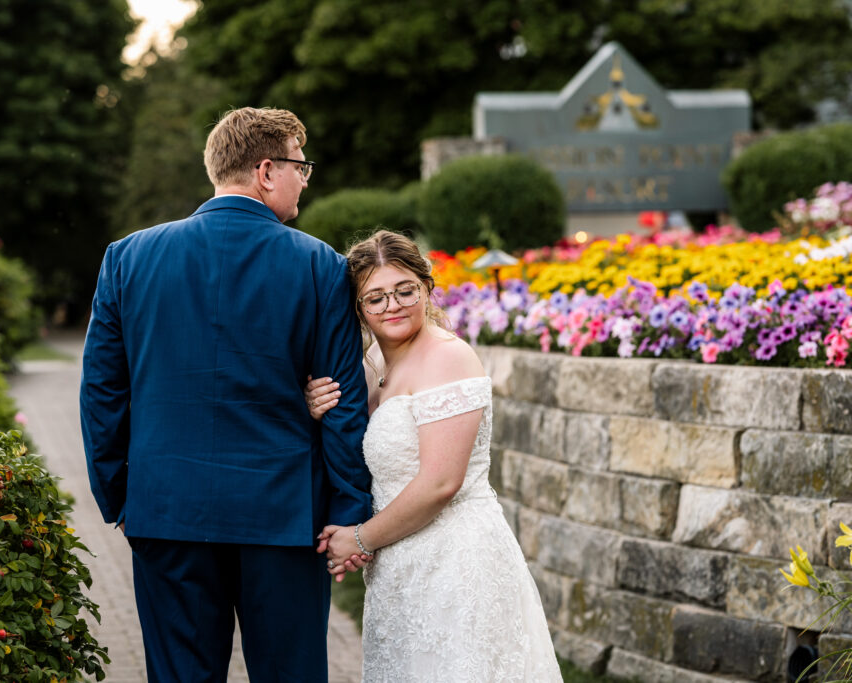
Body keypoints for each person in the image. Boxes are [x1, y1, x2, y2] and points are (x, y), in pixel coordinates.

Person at [80, 106, 373, 683]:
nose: (304, 180)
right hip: (286, 516)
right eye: (299, 166)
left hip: (165, 510)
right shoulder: (320, 266)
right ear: (266, 171)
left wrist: (119, 495)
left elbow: (102, 394)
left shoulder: (127, 258)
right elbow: (344, 402)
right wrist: (347, 513)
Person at [306, 230, 563, 682]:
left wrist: (359, 539)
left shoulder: (447, 357)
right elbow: (351, 439)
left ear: (426, 289)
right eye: (375, 298)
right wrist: (316, 403)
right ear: (359, 308)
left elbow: (441, 482)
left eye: (405, 290)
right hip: (401, 568)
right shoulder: (372, 365)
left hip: (456, 563)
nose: (393, 306)